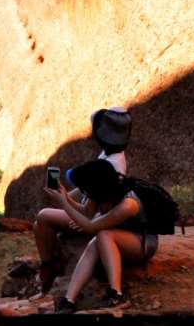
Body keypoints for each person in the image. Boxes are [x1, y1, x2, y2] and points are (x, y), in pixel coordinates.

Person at [32, 107, 132, 294]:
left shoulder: (110, 166)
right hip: (92, 214)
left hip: (95, 220)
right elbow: (90, 190)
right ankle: (48, 263)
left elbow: (93, 209)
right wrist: (66, 195)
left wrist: (66, 202)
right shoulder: (113, 155)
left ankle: (49, 266)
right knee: (38, 224)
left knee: (42, 217)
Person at [43, 159, 158, 313]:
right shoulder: (99, 193)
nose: (82, 191)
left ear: (95, 187)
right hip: (118, 234)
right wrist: (66, 197)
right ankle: (68, 300)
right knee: (95, 243)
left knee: (103, 235)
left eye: (84, 188)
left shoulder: (128, 204)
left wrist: (63, 204)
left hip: (143, 242)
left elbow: (91, 226)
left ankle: (116, 294)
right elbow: (86, 212)